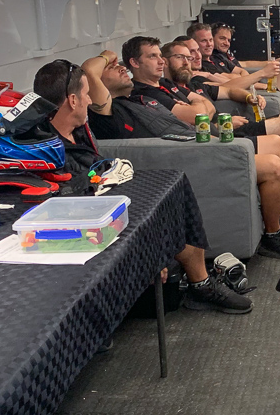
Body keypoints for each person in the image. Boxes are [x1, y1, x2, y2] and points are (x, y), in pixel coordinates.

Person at [32, 59, 253, 314]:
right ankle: (198, 283)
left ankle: (200, 282)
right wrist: (149, 248)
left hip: (113, 198)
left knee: (176, 191)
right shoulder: (47, 151)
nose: (90, 101)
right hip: (95, 225)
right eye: (85, 95)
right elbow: (80, 210)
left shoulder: (80, 130)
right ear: (72, 100)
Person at [100, 44, 280, 238]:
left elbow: (224, 92)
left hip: (217, 132)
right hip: (203, 145)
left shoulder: (165, 88)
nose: (165, 62)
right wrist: (205, 106)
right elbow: (198, 112)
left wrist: (238, 99)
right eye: (154, 57)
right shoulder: (142, 97)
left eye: (162, 56)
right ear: (135, 63)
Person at [162, 38, 280, 154]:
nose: (187, 62)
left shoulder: (195, 84)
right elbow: (192, 121)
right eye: (180, 57)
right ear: (164, 62)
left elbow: (229, 90)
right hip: (223, 133)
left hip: (235, 122)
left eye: (189, 57)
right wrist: (220, 124)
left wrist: (248, 97)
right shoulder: (168, 91)